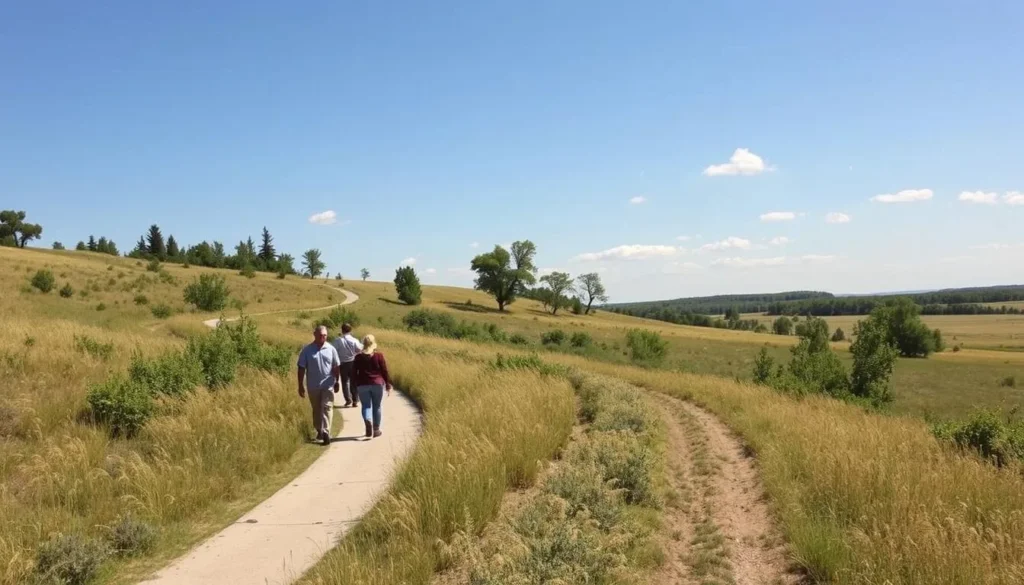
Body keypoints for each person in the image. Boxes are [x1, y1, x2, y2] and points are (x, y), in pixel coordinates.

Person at [297, 325, 341, 446]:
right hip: (313, 386)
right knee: (316, 409)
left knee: (327, 407)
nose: (323, 337)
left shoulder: (331, 349)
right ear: (315, 335)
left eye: (325, 335)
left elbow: (336, 366)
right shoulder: (307, 350)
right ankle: (319, 430)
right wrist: (300, 385)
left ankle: (326, 432)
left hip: (328, 385)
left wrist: (337, 381)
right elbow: (301, 368)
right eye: (321, 335)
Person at [351, 334, 393, 438]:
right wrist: (388, 384)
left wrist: (354, 385)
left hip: (362, 384)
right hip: (377, 383)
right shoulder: (379, 356)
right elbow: (384, 371)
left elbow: (353, 373)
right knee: (377, 406)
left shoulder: (358, 357)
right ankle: (376, 429)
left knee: (366, 406)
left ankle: (368, 420)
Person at [331, 322, 363, 408]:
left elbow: (333, 350)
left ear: (342, 330)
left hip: (343, 363)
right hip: (353, 363)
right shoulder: (355, 340)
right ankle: (355, 400)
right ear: (350, 330)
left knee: (345, 382)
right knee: (354, 382)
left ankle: (348, 400)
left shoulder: (338, 341)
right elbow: (359, 349)